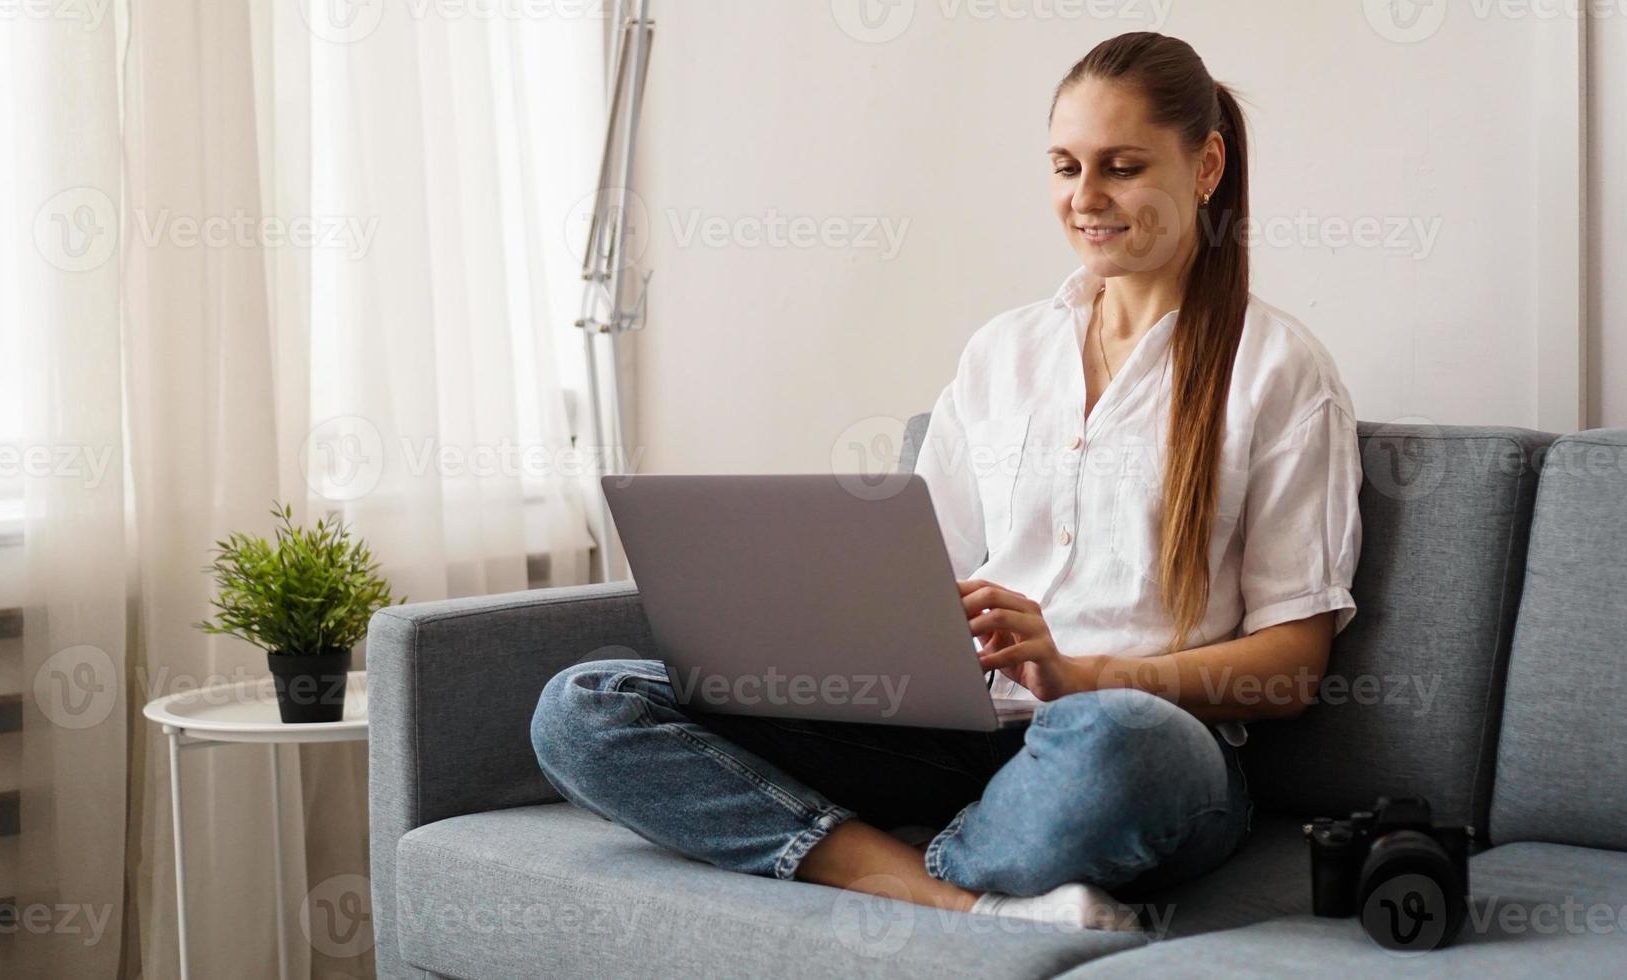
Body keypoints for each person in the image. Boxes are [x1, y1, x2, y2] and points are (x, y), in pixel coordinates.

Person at [531, 32, 1364, 932]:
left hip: (1123, 750)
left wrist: (1078, 675)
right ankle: (961, 897)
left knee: (1126, 740)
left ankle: (899, 862)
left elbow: (1292, 670)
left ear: (1205, 166)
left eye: (1121, 168)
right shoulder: (1002, 353)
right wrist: (818, 649)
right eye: (1064, 167)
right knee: (584, 708)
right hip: (958, 738)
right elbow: (923, 576)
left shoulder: (1278, 371)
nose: (1085, 199)